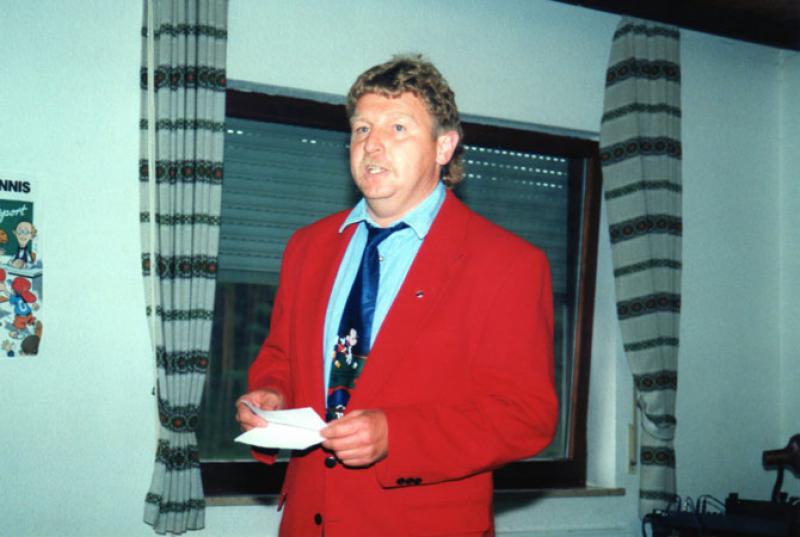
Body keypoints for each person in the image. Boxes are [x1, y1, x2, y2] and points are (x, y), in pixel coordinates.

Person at [235, 54, 558, 537]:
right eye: (362, 128)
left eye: (399, 128)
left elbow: (525, 416)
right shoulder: (307, 247)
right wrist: (272, 393)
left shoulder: (509, 264)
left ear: (444, 146)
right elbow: (281, 354)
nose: (373, 145)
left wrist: (397, 436)